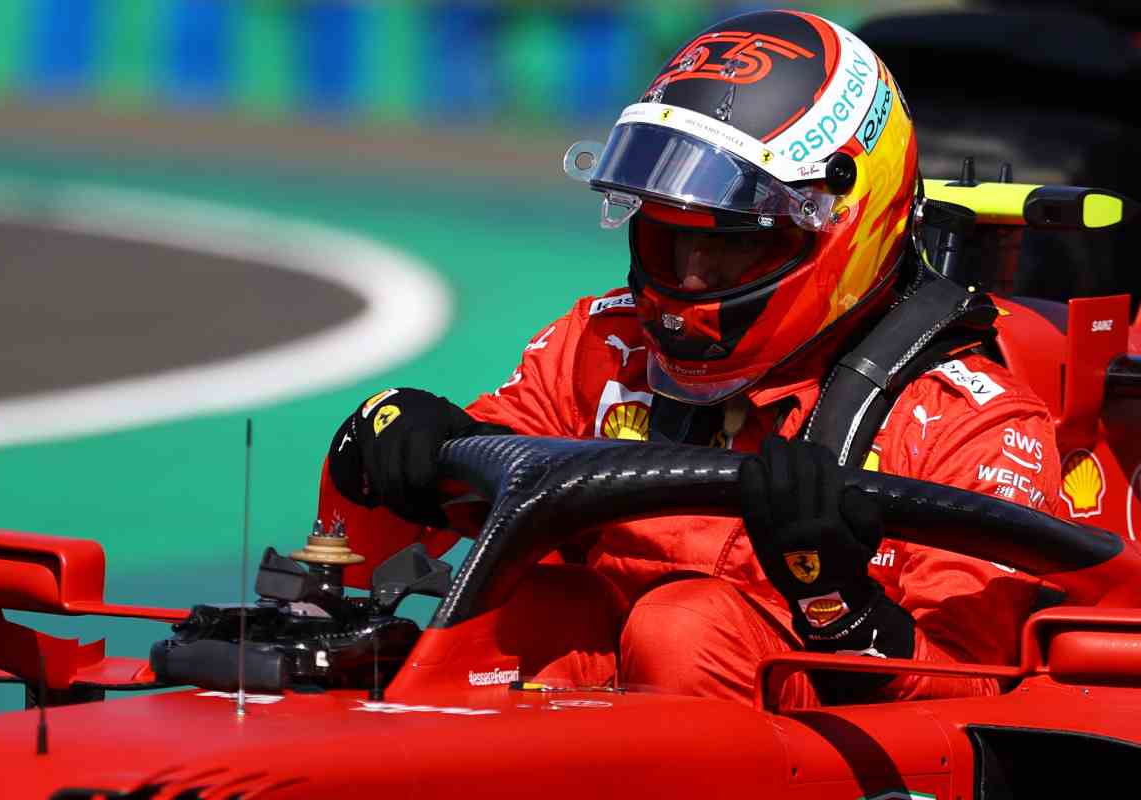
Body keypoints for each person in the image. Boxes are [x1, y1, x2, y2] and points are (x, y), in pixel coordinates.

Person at [322, 9, 1061, 707]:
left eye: (733, 241)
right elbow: (465, 490)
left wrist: (832, 598)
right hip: (589, 733)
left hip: (808, 752)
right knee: (526, 600)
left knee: (686, 627)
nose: (693, 278)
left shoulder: (967, 425)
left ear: (844, 226)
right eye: (668, 237)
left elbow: (978, 700)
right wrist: (398, 449)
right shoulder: (604, 347)